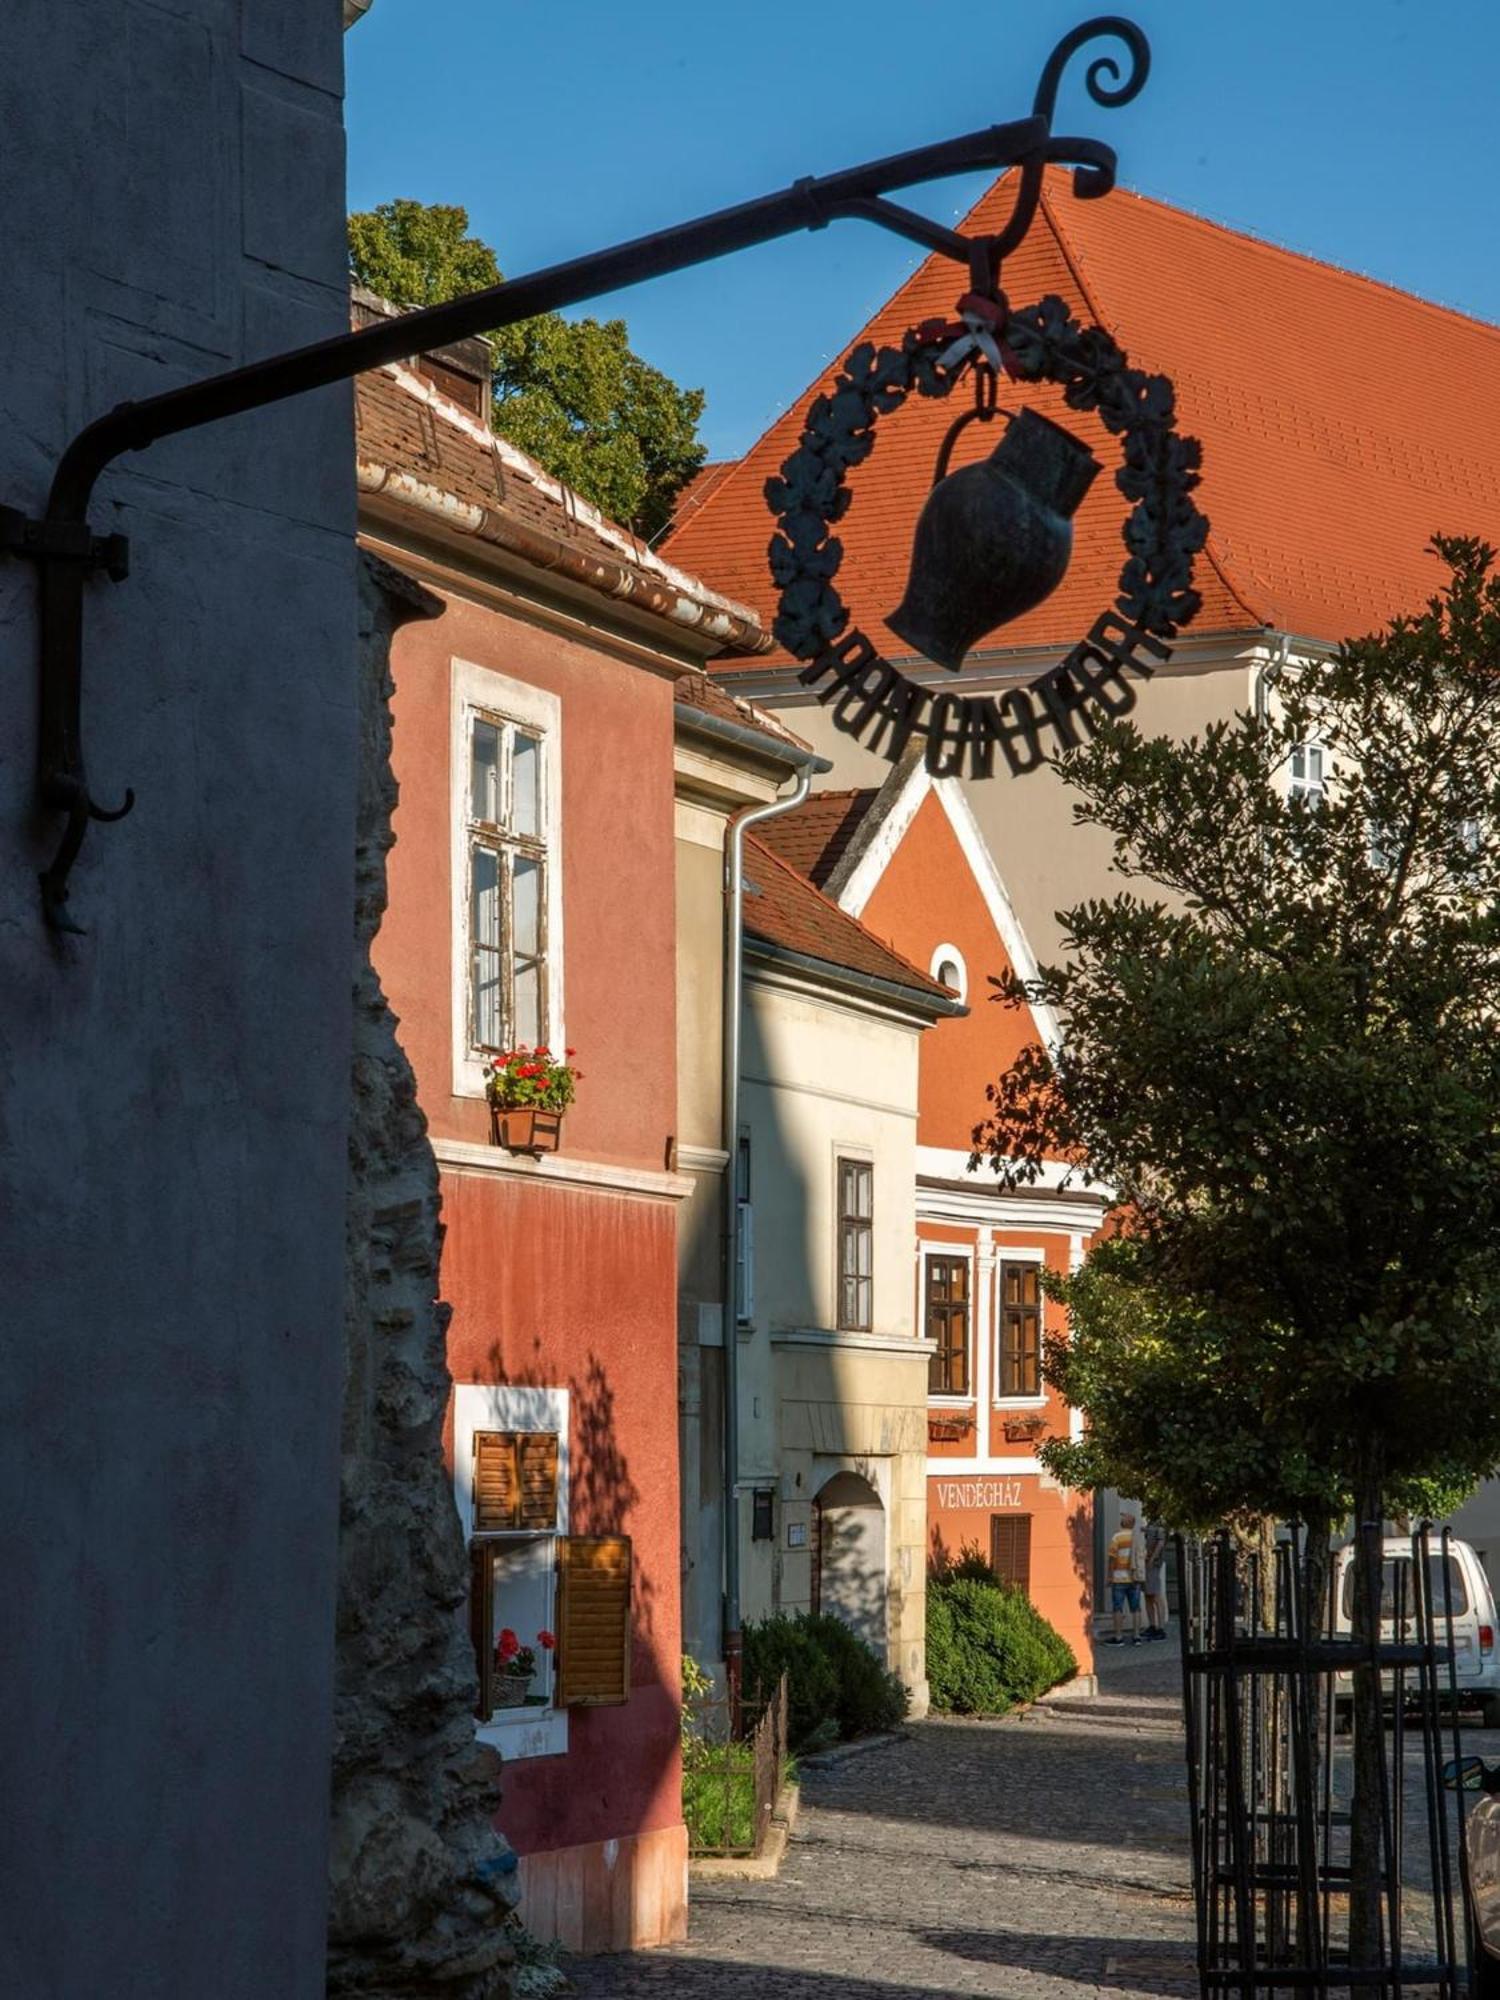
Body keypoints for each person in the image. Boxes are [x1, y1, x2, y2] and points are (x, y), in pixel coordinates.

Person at [1106, 1510, 1146, 1645]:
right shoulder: (1138, 1538)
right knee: (1136, 1608)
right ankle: (1137, 1637)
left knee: (1118, 1608)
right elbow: (1142, 1556)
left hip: (1119, 1578)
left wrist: (1109, 1576)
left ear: (1124, 1523)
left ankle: (1118, 1637)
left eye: (1123, 1518)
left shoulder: (1117, 1537)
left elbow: (1112, 1557)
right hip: (1135, 1578)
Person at [1142, 1520, 1170, 1640]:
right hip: (1146, 1563)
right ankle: (1152, 1626)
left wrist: (1152, 1559)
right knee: (1148, 1595)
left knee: (1156, 1595)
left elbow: (1160, 1543)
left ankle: (1161, 1628)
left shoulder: (1160, 1525)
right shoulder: (1151, 1524)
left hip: (1153, 1564)